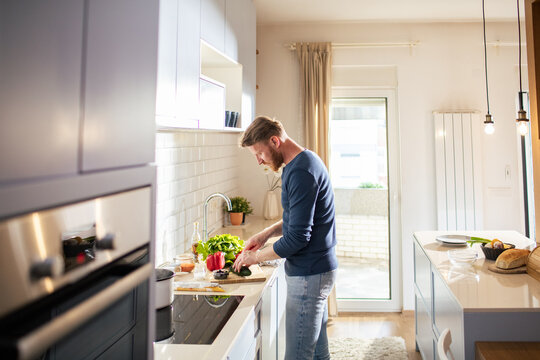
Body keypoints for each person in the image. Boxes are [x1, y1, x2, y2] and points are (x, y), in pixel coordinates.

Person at [233, 115, 338, 360]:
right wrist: (266, 233)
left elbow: (297, 238)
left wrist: (254, 258)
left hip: (309, 275)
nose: (259, 161)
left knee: (298, 356)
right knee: (317, 354)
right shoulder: (303, 161)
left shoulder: (300, 171)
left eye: (259, 153)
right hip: (317, 270)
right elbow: (298, 219)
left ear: (274, 141)